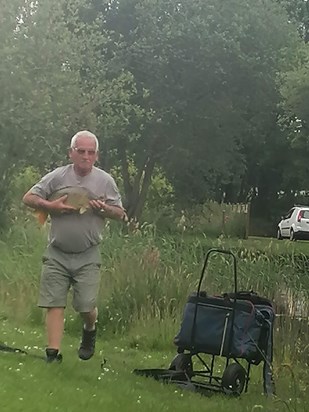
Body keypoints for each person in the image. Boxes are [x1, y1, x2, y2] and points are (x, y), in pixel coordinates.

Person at [23, 130, 126, 363]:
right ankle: (53, 353)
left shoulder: (105, 181)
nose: (85, 157)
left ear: (97, 156)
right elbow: (28, 198)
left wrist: (104, 209)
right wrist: (50, 206)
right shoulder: (57, 177)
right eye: (81, 151)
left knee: (85, 305)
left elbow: (120, 214)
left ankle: (90, 330)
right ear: (71, 153)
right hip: (56, 251)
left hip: (88, 254)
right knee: (54, 302)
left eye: (91, 153)